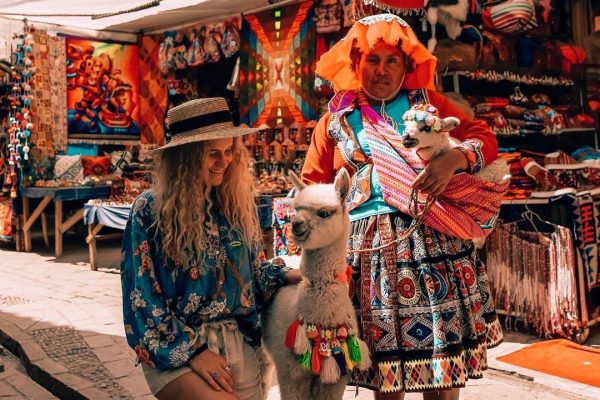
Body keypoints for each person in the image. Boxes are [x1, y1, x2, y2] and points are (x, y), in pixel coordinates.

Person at [302, 14, 504, 400]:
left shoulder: (429, 106)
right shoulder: (334, 123)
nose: (381, 70)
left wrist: (453, 160)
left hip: (436, 245)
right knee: (387, 376)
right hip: (368, 258)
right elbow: (313, 189)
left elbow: (483, 136)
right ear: (356, 64)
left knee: (444, 371)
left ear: (407, 65)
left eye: (391, 60)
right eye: (372, 60)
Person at [121, 97, 301, 400]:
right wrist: (192, 351)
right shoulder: (149, 210)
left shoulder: (234, 204)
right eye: (212, 153)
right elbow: (141, 299)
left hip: (238, 341)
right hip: (173, 345)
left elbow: (253, 273)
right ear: (185, 158)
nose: (225, 161)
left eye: (230, 151)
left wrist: (293, 274)